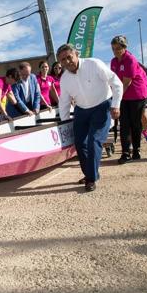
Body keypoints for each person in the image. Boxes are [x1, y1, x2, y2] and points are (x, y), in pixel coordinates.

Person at [57, 44, 122, 192]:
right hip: (81, 110)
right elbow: (64, 103)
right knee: (80, 143)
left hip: (102, 106)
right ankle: (90, 173)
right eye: (63, 60)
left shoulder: (94, 64)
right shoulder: (64, 79)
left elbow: (116, 82)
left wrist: (116, 104)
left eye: (69, 57)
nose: (67, 62)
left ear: (76, 55)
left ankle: (91, 178)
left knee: (94, 140)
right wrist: (65, 122)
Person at [110, 35, 147, 164]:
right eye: (113, 49)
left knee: (135, 123)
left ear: (124, 47)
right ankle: (125, 152)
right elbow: (113, 81)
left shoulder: (130, 59)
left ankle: (136, 150)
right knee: (124, 124)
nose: (115, 51)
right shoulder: (113, 61)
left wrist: (116, 98)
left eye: (118, 48)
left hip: (136, 94)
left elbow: (126, 82)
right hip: (123, 95)